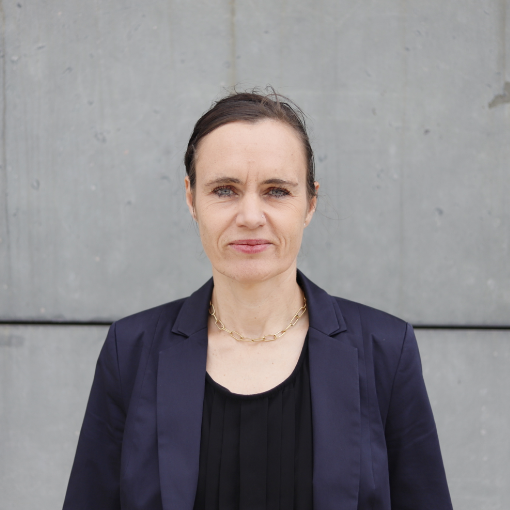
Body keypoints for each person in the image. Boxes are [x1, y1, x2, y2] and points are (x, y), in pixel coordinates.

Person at [63, 89, 453, 510]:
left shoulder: (385, 351)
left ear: (310, 203)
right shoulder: (131, 351)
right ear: (191, 199)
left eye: (277, 191)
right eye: (224, 190)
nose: (250, 217)